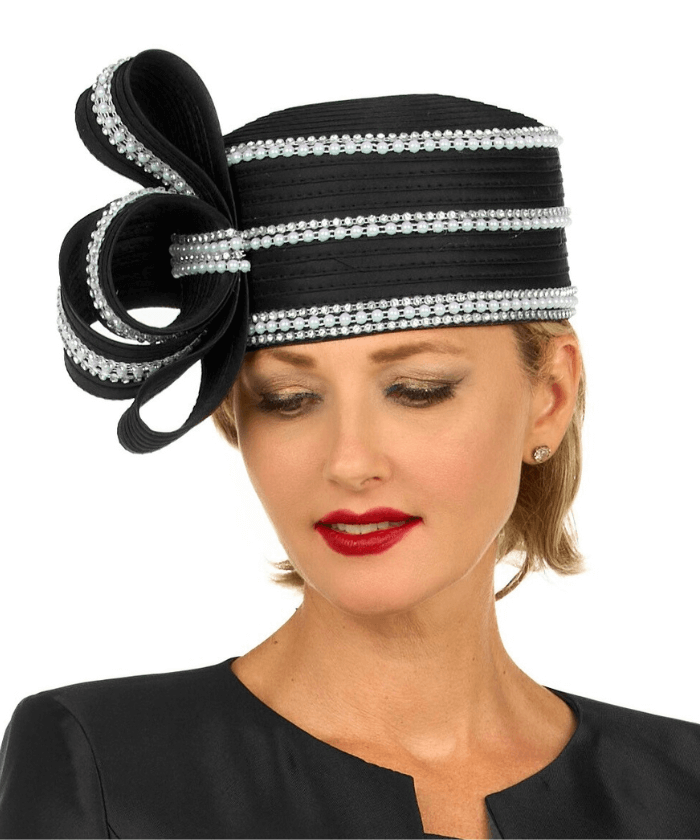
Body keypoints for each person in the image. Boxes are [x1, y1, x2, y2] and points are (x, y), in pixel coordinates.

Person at [0, 47, 698, 840]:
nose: (350, 461)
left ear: (550, 397)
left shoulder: (681, 791)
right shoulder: (106, 770)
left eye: (418, 390)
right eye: (288, 400)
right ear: (232, 413)